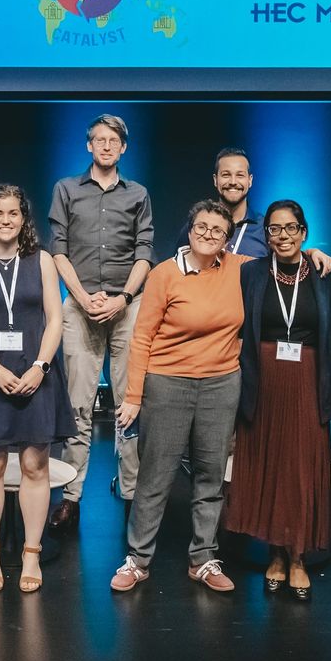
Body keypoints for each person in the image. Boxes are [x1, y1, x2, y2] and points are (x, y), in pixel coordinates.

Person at [109, 200, 248, 595]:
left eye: (217, 230)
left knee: (210, 476)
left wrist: (314, 253)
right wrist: (133, 395)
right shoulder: (165, 273)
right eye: (201, 226)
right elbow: (142, 338)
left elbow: (284, 257)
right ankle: (137, 560)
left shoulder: (240, 268)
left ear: (226, 239)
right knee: (155, 477)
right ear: (190, 230)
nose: (208, 234)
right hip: (167, 384)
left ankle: (203, 558)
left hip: (221, 385)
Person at [0, 185, 74, 593]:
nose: (6, 219)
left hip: (36, 375)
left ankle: (31, 553)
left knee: (36, 467)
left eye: (14, 213)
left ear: (24, 219)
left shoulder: (41, 261)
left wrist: (40, 366)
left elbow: (55, 319)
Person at [224, 200, 331, 600]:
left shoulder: (323, 273)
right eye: (274, 229)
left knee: (300, 469)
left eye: (291, 228)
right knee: (271, 468)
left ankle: (299, 556)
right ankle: (274, 554)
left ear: (304, 232)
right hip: (263, 381)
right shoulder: (251, 272)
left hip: (307, 380)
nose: (283, 236)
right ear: (265, 235)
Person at [48, 113, 154, 532]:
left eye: (114, 140)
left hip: (127, 306)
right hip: (80, 303)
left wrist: (123, 298)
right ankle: (71, 497)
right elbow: (59, 250)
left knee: (130, 404)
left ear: (124, 147)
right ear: (88, 146)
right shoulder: (66, 189)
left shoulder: (138, 193)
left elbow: (145, 251)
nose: (106, 146)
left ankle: (131, 494)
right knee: (77, 404)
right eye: (99, 140)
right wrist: (83, 297)